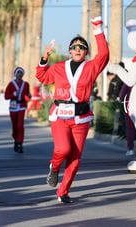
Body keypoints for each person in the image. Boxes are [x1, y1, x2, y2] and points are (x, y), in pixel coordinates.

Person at [36, 16, 109, 204]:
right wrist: (45, 58)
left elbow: (104, 55)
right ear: (69, 51)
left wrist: (97, 30)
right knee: (63, 148)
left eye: (82, 47)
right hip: (60, 115)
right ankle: (54, 166)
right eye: (75, 47)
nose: (78, 49)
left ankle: (63, 191)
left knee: (75, 159)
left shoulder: (92, 67)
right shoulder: (59, 67)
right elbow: (42, 76)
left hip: (81, 117)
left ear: (86, 51)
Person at [4, 67, 31, 153]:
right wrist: (13, 94)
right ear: (15, 74)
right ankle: (15, 139)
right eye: (18, 73)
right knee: (15, 126)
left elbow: (27, 94)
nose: (20, 75)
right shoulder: (11, 84)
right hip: (13, 106)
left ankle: (20, 143)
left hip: (22, 106)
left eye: (21, 73)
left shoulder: (26, 84)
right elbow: (6, 96)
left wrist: (29, 96)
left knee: (20, 125)